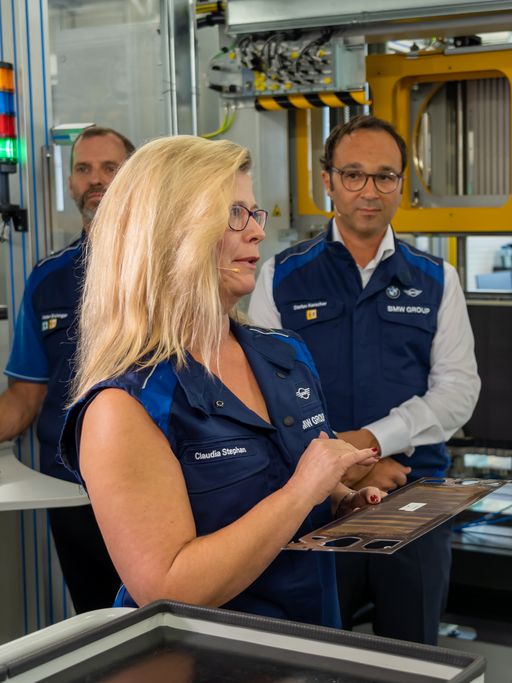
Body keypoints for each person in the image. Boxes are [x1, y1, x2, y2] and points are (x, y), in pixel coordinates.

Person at [57, 135, 385, 626]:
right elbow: (166, 589)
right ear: (169, 231)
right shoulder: (124, 406)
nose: (255, 232)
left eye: (255, 213)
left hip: (311, 647)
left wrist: (340, 501)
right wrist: (303, 491)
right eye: (234, 213)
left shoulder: (285, 354)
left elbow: (288, 481)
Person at [248, 115, 480, 644]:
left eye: (385, 176)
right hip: (312, 502)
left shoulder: (436, 278)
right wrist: (342, 474)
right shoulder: (280, 277)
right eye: (353, 175)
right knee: (318, 655)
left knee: (412, 656)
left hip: (414, 497)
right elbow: (263, 396)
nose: (369, 191)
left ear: (402, 184)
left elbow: (458, 392)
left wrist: (370, 444)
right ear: (327, 180)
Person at [0, 125, 134, 613]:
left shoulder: (168, 268)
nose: (95, 180)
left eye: (108, 168)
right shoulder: (48, 279)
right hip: (73, 492)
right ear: (72, 183)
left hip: (159, 489)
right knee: (97, 627)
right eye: (83, 169)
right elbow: (24, 397)